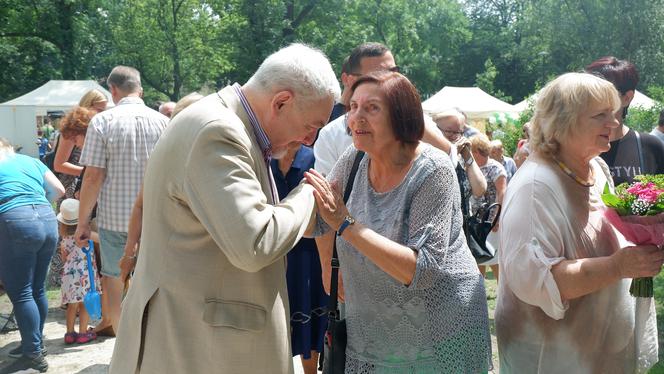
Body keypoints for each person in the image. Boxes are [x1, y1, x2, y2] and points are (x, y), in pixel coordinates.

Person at [109, 43, 340, 374]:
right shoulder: (218, 131)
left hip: (202, 343)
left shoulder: (227, 124)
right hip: (194, 350)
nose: (310, 140)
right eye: (311, 126)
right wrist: (308, 193)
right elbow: (255, 242)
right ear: (282, 102)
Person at [305, 71, 491, 372]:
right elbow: (319, 218)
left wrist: (346, 224)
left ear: (401, 117)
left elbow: (422, 270)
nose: (356, 118)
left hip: (441, 330)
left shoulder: (433, 170)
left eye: (372, 108)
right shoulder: (353, 159)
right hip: (374, 330)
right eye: (353, 107)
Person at [496, 72, 664, 373]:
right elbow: (539, 281)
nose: (613, 124)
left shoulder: (596, 168)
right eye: (600, 115)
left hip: (598, 348)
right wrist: (619, 266)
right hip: (553, 357)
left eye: (613, 114)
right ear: (562, 121)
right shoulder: (536, 187)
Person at [74, 66, 168, 338]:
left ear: (113, 90)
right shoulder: (163, 122)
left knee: (114, 281)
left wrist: (82, 223)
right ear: (140, 89)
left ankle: (123, 347)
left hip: (115, 220)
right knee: (156, 283)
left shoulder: (102, 122)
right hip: (155, 218)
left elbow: (93, 177)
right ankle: (153, 347)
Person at [0, 137, 65, 373]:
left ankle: (33, 355)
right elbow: (59, 190)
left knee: (21, 292)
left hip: (14, 220)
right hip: (47, 219)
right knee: (37, 289)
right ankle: (34, 344)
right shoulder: (29, 160)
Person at [270, 142, 328, 374]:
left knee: (308, 311)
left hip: (309, 253)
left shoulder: (314, 158)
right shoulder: (266, 158)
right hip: (275, 251)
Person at [585, 56, 664, 185]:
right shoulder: (574, 148)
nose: (592, 99)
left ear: (627, 98)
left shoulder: (650, 147)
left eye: (603, 92)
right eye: (588, 92)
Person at [58, 198, 101, 345]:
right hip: (86, 276)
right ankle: (83, 333)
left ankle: (69, 334)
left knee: (72, 306)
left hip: (70, 278)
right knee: (85, 305)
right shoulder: (87, 236)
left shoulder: (64, 240)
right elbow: (98, 244)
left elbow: (64, 258)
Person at [470, 134, 507, 281]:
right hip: (476, 222)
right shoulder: (472, 168)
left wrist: (496, 218)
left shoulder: (495, 167)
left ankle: (504, 298)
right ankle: (479, 295)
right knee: (479, 258)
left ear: (477, 151)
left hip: (491, 223)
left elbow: (503, 192)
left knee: (495, 260)